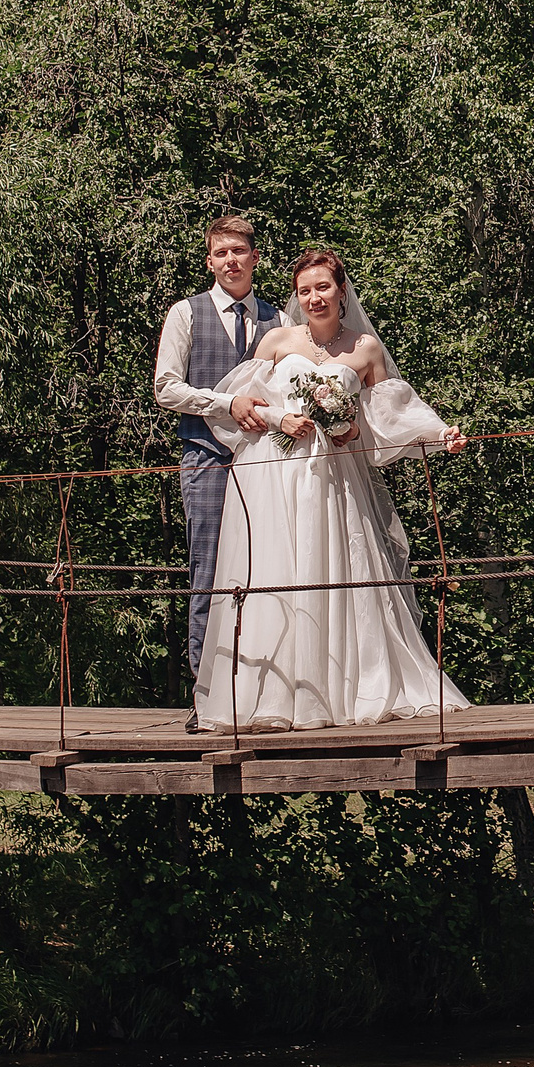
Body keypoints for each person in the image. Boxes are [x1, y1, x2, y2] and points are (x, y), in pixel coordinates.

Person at [188, 247, 470, 730]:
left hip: (334, 479)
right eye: (304, 291)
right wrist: (282, 416)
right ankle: (273, 695)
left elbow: (390, 415)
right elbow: (244, 409)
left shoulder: (365, 350)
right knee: (275, 572)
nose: (314, 298)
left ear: (341, 289)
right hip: (273, 473)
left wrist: (437, 433)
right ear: (295, 297)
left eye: (323, 287)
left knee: (337, 567)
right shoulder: (276, 340)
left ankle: (346, 691)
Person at [152, 215, 283, 678]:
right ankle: (204, 690)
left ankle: (260, 686)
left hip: (265, 462)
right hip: (205, 459)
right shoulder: (185, 313)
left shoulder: (280, 320)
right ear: (210, 261)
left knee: (267, 570)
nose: (231, 260)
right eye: (221, 253)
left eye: (239, 251)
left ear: (255, 258)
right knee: (207, 570)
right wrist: (228, 403)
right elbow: (166, 389)